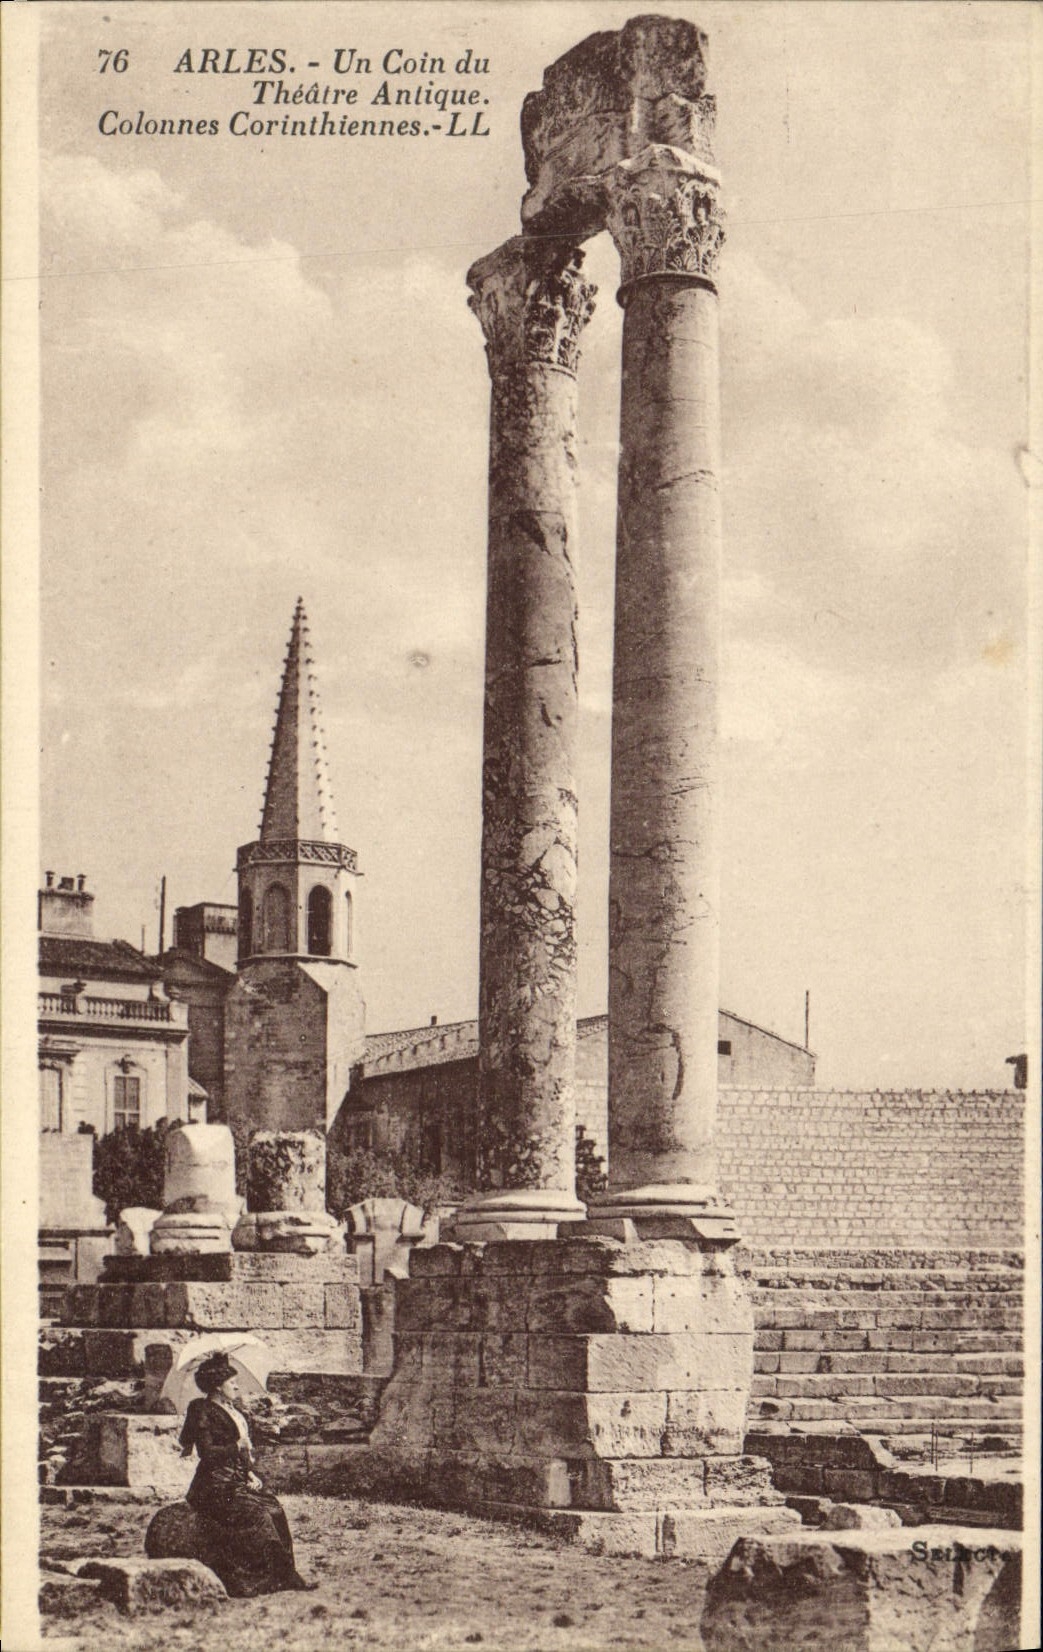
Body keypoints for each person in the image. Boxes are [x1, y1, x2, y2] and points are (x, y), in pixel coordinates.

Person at [178, 1351, 314, 1596]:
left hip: (237, 1481)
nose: (237, 1386)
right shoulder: (202, 1410)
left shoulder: (232, 1410)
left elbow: (240, 1455)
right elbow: (207, 1453)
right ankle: (255, 1578)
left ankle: (286, 1574)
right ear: (218, 1387)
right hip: (214, 1486)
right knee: (258, 1515)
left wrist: (251, 1473)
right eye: (232, 1383)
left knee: (275, 1508)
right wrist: (236, 1446)